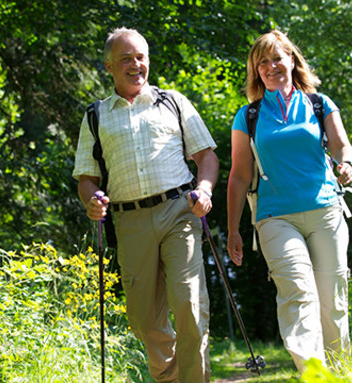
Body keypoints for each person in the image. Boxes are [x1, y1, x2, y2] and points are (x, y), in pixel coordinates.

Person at [73, 27, 219, 382]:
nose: (136, 65)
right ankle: (170, 378)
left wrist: (205, 190)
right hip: (129, 222)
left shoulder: (173, 101)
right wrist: (93, 200)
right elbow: (86, 179)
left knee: (189, 304)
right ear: (109, 66)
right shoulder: (96, 116)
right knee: (143, 321)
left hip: (178, 211)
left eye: (141, 57)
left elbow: (206, 157)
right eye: (126, 59)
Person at [226, 30, 352, 372]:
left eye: (277, 58)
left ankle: (340, 374)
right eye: (262, 62)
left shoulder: (319, 103)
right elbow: (239, 176)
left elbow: (341, 145)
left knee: (332, 301)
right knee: (299, 295)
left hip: (326, 209)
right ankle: (315, 376)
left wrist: (347, 165)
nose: (271, 67)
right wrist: (233, 230)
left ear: (292, 60)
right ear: (256, 71)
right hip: (274, 218)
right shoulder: (248, 116)